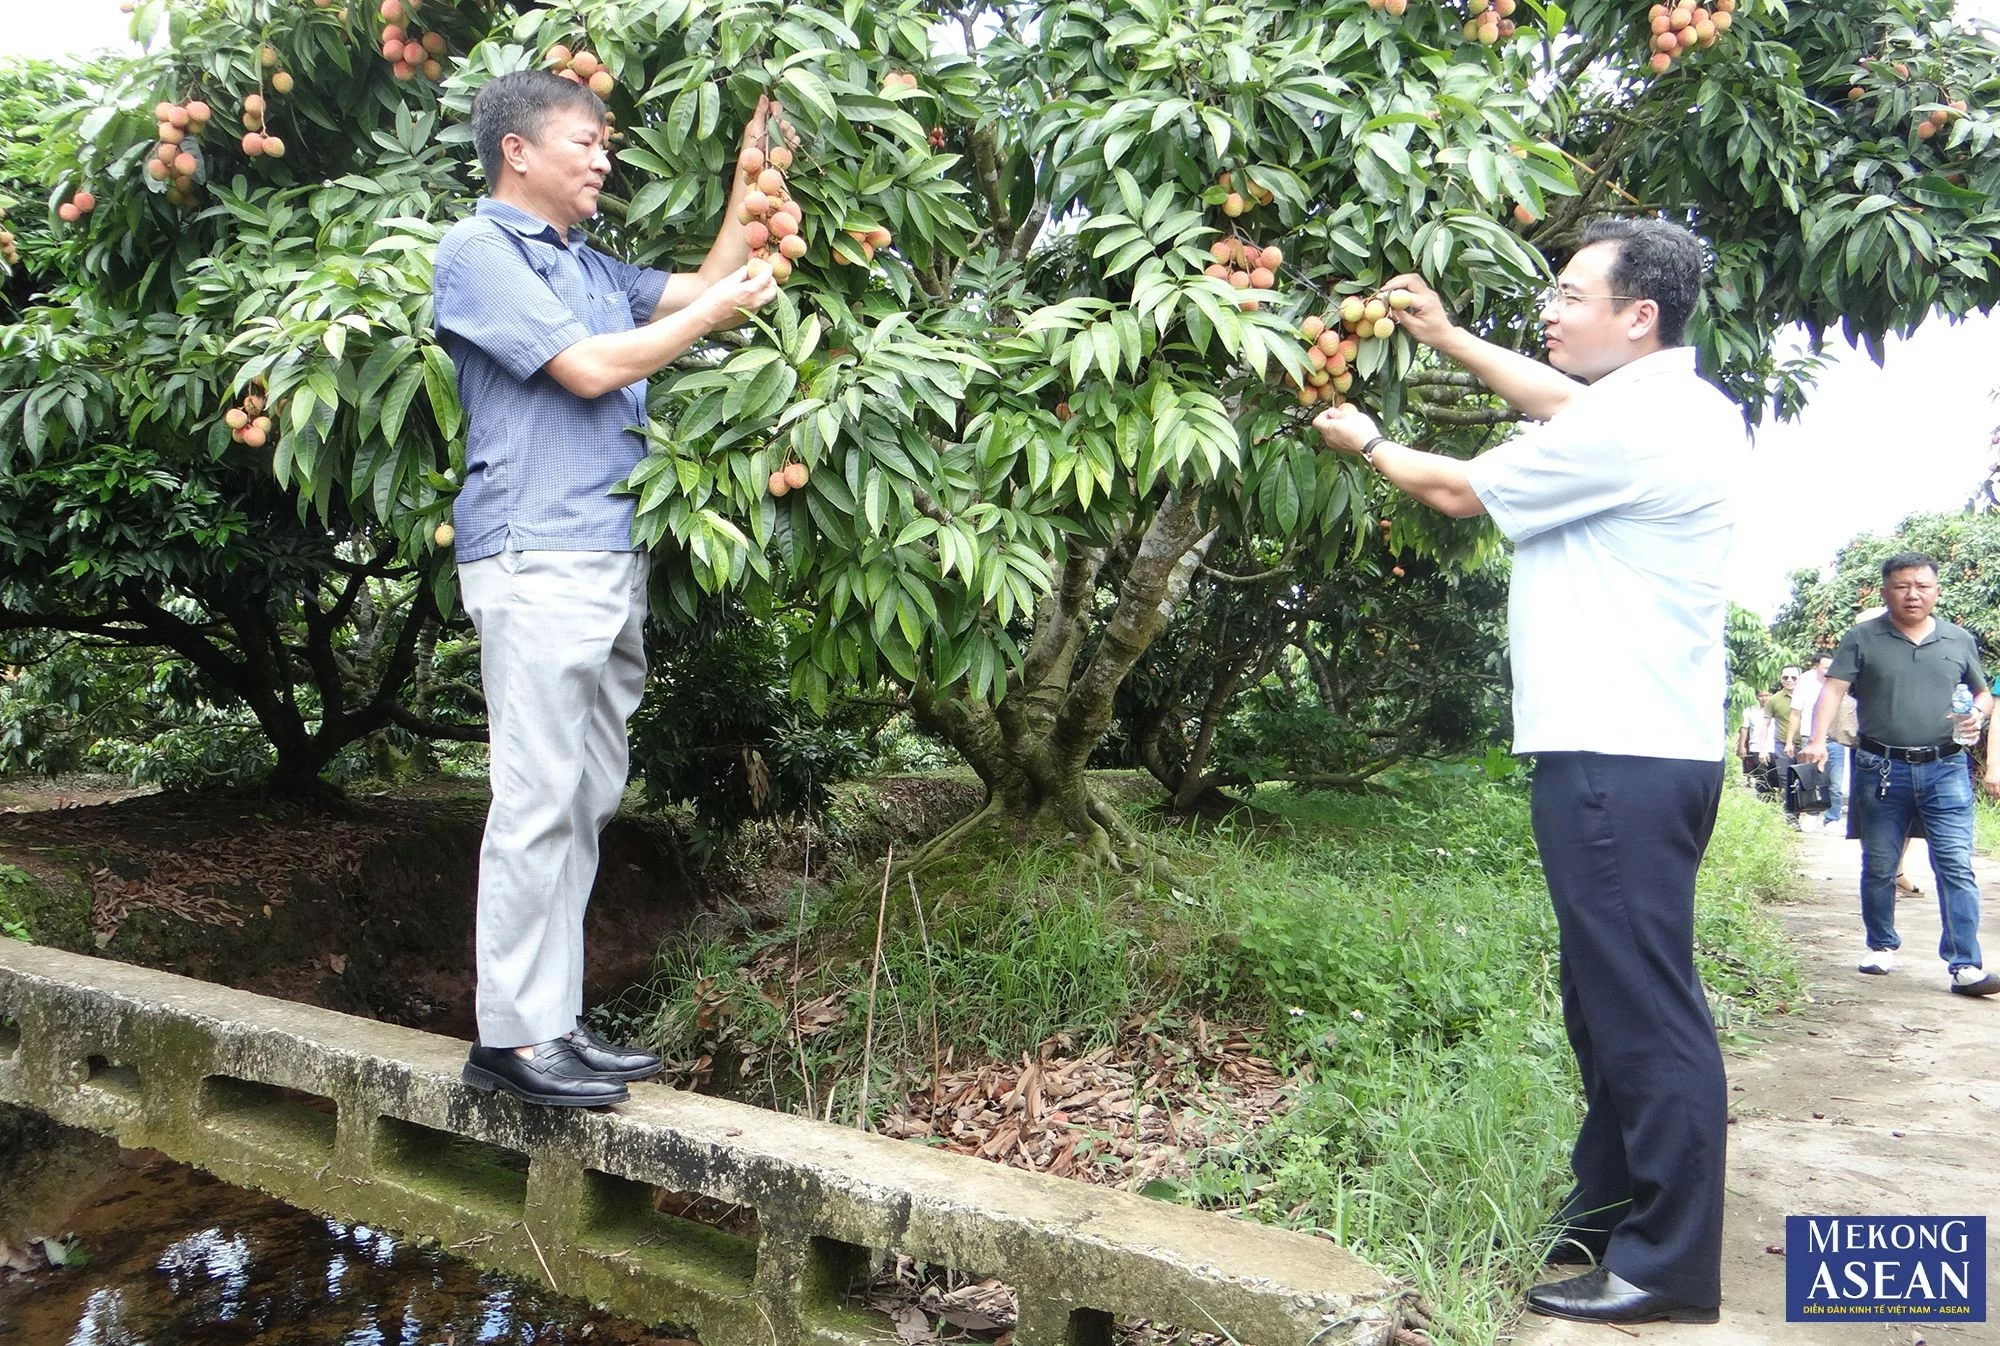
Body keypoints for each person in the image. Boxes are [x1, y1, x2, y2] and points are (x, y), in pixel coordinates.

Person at [1312, 217, 1736, 1326]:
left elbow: (1452, 490)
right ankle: (1606, 1212)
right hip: (1644, 745)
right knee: (1608, 999)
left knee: (1641, 1008)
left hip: (1615, 750)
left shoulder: (1632, 430)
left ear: (1634, 316)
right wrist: (1446, 337)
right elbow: (1551, 399)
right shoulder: (1671, 403)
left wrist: (1357, 438)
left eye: (1566, 294)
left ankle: (1668, 1262)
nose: (1546, 311)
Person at [432, 71, 780, 1106]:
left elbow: (704, 282)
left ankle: (553, 1022)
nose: (602, 158)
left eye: (605, 143)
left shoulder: (584, 265)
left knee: (583, 798)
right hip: (534, 553)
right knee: (537, 797)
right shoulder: (481, 254)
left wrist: (749, 174)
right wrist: (717, 305)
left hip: (603, 556)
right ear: (518, 152)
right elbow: (586, 369)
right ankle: (509, 1039)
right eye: (585, 140)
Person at [1797, 553, 2000, 996]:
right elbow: (1832, 691)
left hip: (1947, 767)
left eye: (1922, 586)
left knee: (1955, 865)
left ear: (1936, 591)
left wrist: (1976, 718)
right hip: (1880, 767)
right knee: (1881, 863)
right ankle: (1881, 945)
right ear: (1886, 591)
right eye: (1903, 586)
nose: (1913, 594)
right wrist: (1816, 740)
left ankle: (1965, 964)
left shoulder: (1957, 638)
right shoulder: (1862, 638)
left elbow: (1983, 694)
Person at [1766, 665, 1800, 825]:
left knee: (1804, 781)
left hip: (1805, 744)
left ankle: (1804, 812)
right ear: (1781, 679)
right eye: (1786, 677)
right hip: (1782, 745)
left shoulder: (1807, 696)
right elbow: (1764, 725)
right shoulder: (1774, 699)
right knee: (1786, 780)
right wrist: (1763, 749)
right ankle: (1790, 816)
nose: (1789, 681)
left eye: (1793, 677)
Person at [1737, 689, 1774, 790]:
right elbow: (1744, 729)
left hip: (1774, 747)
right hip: (1756, 747)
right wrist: (1741, 746)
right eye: (1761, 696)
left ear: (1771, 695)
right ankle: (1764, 800)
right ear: (1756, 697)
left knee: (1775, 778)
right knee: (1761, 779)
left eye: (1767, 695)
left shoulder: (1775, 709)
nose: (1764, 698)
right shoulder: (1749, 711)